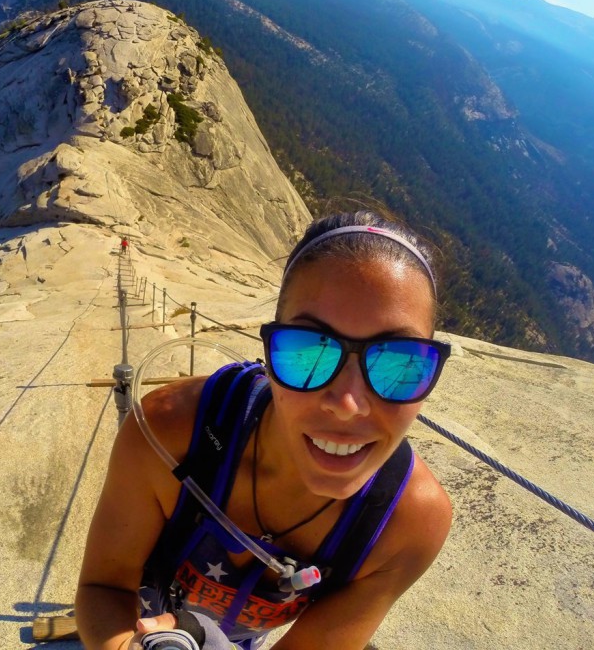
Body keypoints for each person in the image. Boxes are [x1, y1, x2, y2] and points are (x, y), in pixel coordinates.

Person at [77, 210, 453, 649]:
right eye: (308, 350)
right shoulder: (170, 432)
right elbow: (105, 588)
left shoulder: (407, 523)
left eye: (399, 362)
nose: (348, 405)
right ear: (268, 355)